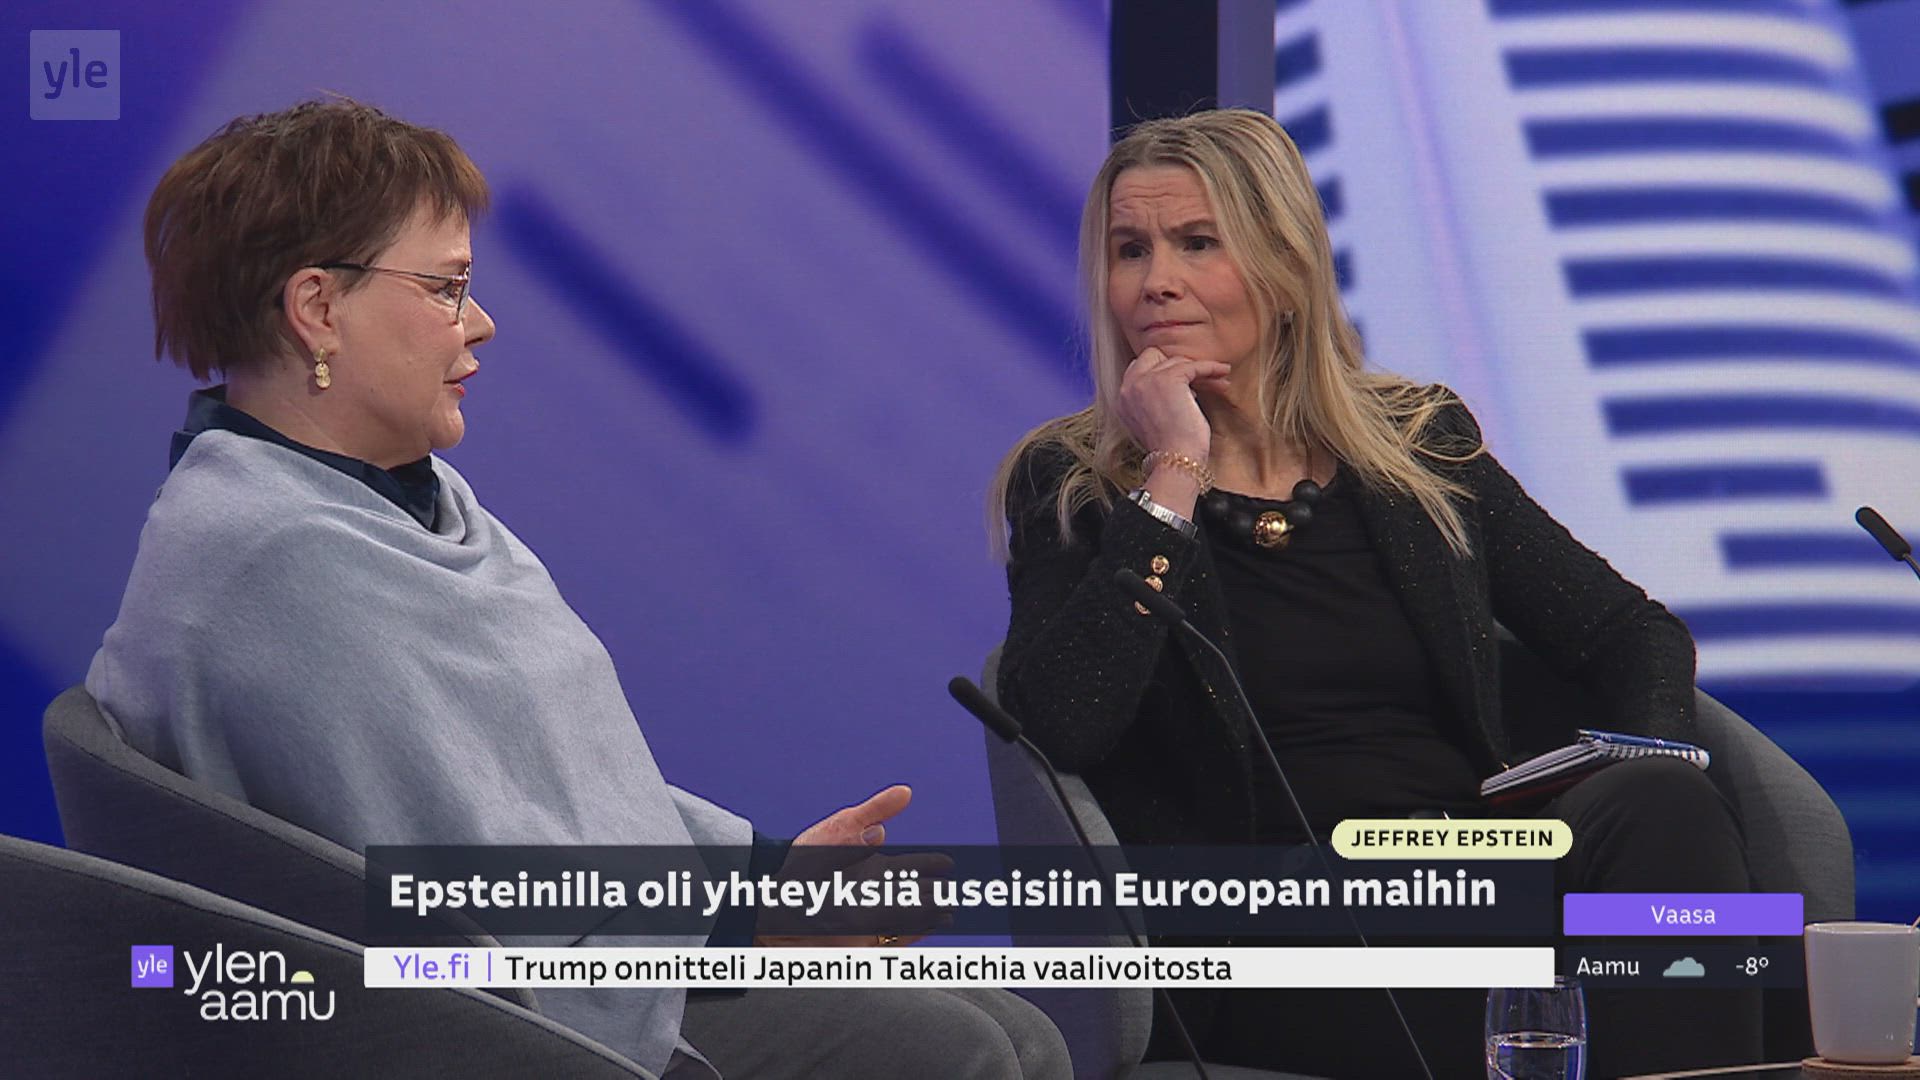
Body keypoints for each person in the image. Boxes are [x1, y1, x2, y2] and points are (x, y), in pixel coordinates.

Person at [89, 98, 1068, 1080]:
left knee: (1015, 1026)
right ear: (317, 309)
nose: (480, 322)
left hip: (609, 955)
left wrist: (772, 871)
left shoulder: (389, 502)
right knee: (964, 1049)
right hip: (501, 1027)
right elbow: (471, 904)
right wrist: (748, 925)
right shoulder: (277, 562)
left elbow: (545, 794)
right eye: (445, 287)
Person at [989, 108, 1760, 1078]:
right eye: (1129, 250)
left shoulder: (1417, 446)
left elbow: (1632, 633)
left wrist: (1618, 762)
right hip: (1269, 922)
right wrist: (1172, 471)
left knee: (1663, 809)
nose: (1157, 282)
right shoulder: (1075, 487)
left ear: (1285, 268)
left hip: (1467, 863)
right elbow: (1059, 723)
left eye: (1197, 243)